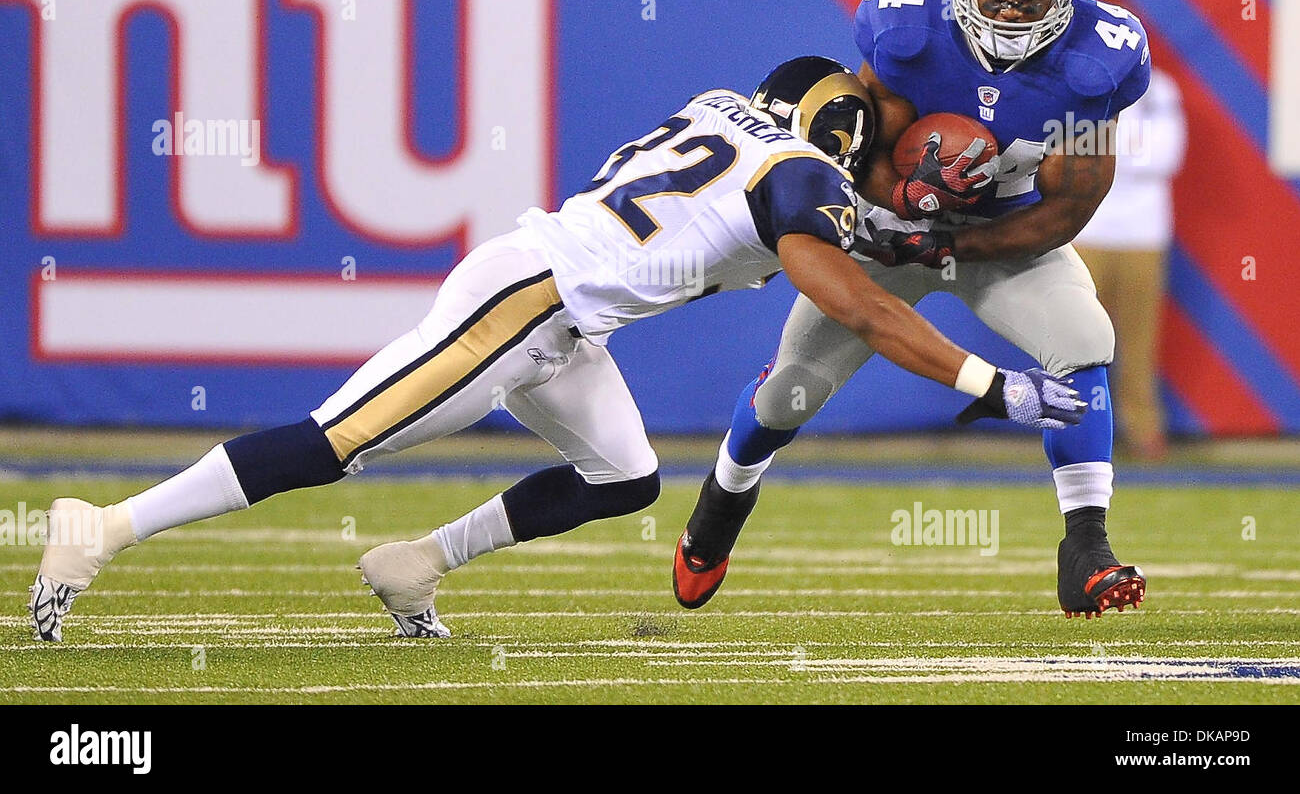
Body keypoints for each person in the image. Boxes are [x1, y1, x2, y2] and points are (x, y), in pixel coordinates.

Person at [29, 56, 1084, 643]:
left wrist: (902, 228)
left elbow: (797, 225)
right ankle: (105, 523)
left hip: (564, 316)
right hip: (523, 301)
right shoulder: (801, 171)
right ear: (841, 137)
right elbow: (856, 302)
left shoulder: (718, 109)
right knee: (337, 439)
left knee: (624, 476)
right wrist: (992, 382)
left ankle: (416, 562)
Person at [674, 0, 1150, 620]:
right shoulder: (910, 31)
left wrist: (958, 241)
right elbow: (861, 152)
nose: (1011, 17)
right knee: (789, 390)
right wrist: (904, 208)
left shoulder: (1097, 65)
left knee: (1085, 341)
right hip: (888, 226)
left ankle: (1087, 543)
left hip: (1004, 231)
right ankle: (720, 506)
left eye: (1031, 2)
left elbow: (1067, 209)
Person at [1075, 67, 1185, 459]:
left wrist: (1108, 149)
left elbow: (1166, 155)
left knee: (1140, 340)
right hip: (1085, 229)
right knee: (1075, 340)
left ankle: (1143, 429)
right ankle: (1076, 431)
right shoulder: (1078, 82)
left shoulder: (1160, 89)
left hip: (1144, 233)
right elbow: (1070, 151)